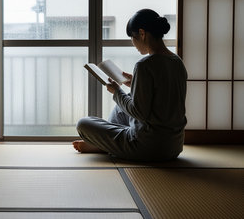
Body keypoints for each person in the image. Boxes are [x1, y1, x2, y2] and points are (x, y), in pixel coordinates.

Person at [73, 9, 187, 162]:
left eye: (132, 38)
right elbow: (163, 94)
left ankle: (106, 145)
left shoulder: (144, 65)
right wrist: (135, 82)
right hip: (174, 145)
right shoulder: (177, 61)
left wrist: (116, 91)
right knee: (121, 106)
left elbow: (138, 112)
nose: (133, 43)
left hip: (147, 147)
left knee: (83, 124)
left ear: (142, 33)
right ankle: (109, 145)